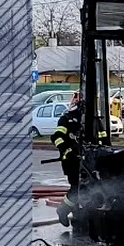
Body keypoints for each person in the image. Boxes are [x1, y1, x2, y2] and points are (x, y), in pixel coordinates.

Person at [51, 92, 84, 227]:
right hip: (71, 161)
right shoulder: (66, 119)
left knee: (88, 188)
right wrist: (67, 150)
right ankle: (63, 210)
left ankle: (80, 216)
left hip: (88, 159)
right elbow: (56, 137)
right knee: (77, 188)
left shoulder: (90, 120)